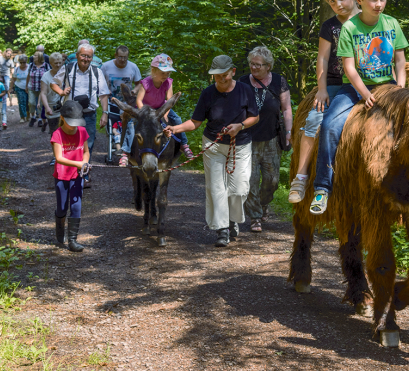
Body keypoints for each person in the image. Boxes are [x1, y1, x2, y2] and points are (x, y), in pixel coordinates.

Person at [309, 0, 408, 214]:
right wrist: (364, 93)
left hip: (389, 86)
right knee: (330, 124)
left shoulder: (392, 23)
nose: (379, 4)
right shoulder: (349, 28)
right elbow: (349, 67)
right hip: (354, 88)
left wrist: (401, 89)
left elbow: (400, 61)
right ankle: (322, 187)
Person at [164, 55, 259, 247]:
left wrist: (240, 126)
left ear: (232, 72)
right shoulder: (208, 94)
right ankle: (222, 229)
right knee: (216, 188)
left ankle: (232, 219)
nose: (221, 80)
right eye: (217, 77)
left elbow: (254, 117)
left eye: (224, 75)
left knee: (239, 189)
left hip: (240, 145)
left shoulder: (245, 90)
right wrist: (175, 128)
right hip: (213, 144)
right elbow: (195, 122)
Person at [288, 0, 360, 204]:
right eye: (332, 2)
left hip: (368, 83)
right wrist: (322, 89)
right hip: (336, 84)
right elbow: (322, 58)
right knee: (314, 120)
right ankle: (301, 175)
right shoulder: (329, 26)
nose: (338, 4)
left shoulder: (369, 21)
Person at [239, 46, 292, 232]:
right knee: (250, 181)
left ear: (268, 66)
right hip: (248, 140)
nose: (254, 68)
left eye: (258, 65)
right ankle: (255, 217)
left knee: (272, 180)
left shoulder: (279, 81)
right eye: (252, 64)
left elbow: (286, 109)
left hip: (271, 139)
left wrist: (288, 131)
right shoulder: (243, 82)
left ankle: (263, 204)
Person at [51, 43, 110, 188]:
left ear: (92, 58)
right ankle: (65, 174)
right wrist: (61, 92)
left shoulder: (97, 72)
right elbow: (53, 83)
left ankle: (83, 175)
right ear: (77, 55)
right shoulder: (68, 69)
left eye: (89, 56)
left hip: (89, 114)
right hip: (70, 114)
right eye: (83, 55)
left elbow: (103, 95)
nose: (85, 59)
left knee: (87, 145)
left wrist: (105, 113)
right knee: (67, 144)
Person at [120, 54, 193, 165]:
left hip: (161, 108)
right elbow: (139, 100)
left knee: (177, 119)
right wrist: (144, 114)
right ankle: (126, 151)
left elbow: (169, 100)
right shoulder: (146, 83)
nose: (165, 75)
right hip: (145, 109)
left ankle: (184, 144)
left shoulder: (168, 82)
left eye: (168, 73)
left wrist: (165, 114)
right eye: (163, 73)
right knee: (131, 124)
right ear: (154, 71)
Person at [51, 100, 90, 252]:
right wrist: (78, 164)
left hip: (77, 175)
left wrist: (85, 163)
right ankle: (59, 228)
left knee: (76, 206)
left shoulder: (82, 132)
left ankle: (73, 240)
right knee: (62, 207)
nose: (73, 126)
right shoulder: (57, 134)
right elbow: (59, 158)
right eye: (70, 122)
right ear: (62, 118)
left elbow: (86, 151)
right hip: (62, 176)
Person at [100, 45, 142, 160]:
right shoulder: (106, 66)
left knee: (129, 124)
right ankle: (115, 144)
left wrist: (134, 91)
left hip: (127, 103)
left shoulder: (133, 67)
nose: (122, 60)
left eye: (125, 57)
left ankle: (126, 148)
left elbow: (139, 83)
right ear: (115, 55)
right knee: (113, 124)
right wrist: (105, 90)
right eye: (120, 57)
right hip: (111, 101)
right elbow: (100, 81)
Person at [41, 53, 65, 165]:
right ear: (51, 63)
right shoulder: (46, 76)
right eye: (56, 63)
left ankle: (66, 155)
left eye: (60, 63)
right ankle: (56, 156)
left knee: (67, 131)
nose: (58, 65)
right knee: (55, 133)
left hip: (65, 107)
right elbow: (43, 93)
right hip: (52, 107)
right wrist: (46, 107)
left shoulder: (67, 74)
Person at [27, 51, 49, 129]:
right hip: (32, 87)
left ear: (39, 57)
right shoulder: (31, 65)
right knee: (31, 103)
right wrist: (26, 86)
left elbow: (49, 76)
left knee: (40, 105)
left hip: (42, 88)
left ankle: (40, 119)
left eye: (35, 55)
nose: (33, 56)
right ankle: (33, 117)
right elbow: (28, 76)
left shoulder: (46, 65)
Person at [0, 48, 14, 130]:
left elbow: (12, 69)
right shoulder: (0, 58)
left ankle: (8, 99)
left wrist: (12, 77)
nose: (8, 54)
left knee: (6, 89)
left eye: (10, 53)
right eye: (8, 53)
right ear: (5, 52)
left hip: (6, 75)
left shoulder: (10, 61)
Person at [11, 55, 30, 123]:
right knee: (21, 102)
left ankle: (28, 114)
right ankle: (22, 116)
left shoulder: (29, 67)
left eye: (24, 62)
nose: (22, 64)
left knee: (29, 102)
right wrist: (10, 88)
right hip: (19, 87)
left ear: (26, 61)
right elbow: (13, 78)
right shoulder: (17, 69)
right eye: (21, 62)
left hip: (29, 87)